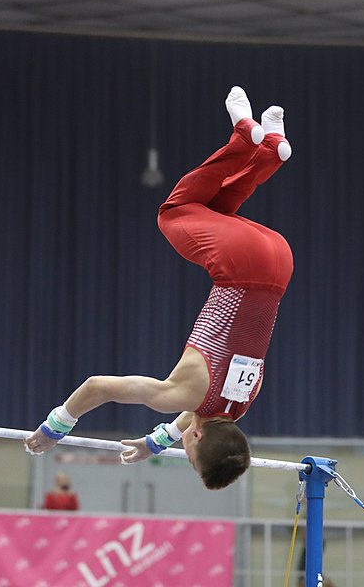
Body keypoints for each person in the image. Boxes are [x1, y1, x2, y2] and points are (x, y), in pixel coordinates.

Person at [24, 86, 294, 490]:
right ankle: (242, 139)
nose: (185, 454)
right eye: (190, 457)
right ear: (198, 439)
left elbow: (196, 413)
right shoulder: (183, 395)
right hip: (242, 265)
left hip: (278, 265)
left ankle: (271, 150)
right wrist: (56, 426)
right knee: (175, 212)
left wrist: (157, 440)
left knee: (212, 210)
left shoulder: (238, 406)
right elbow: (99, 386)